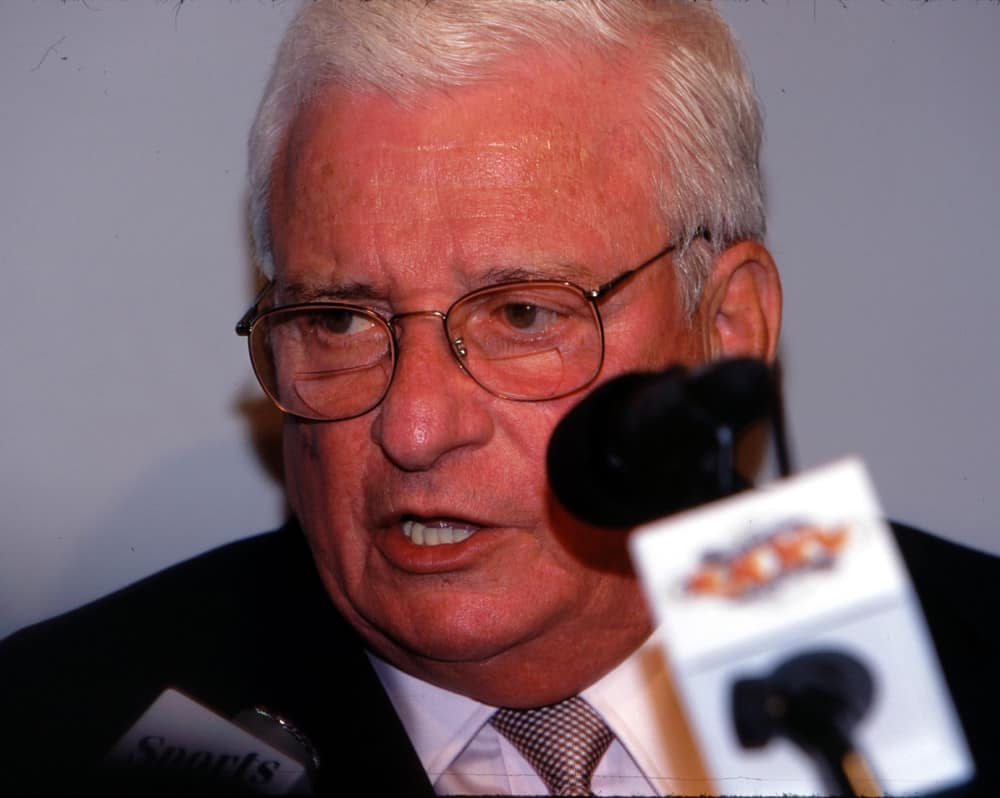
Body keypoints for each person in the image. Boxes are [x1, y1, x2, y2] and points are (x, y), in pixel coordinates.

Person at [1, 1, 997, 795]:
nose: (415, 429)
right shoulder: (50, 736)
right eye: (339, 321)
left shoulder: (976, 664)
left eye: (523, 314)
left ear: (726, 327)